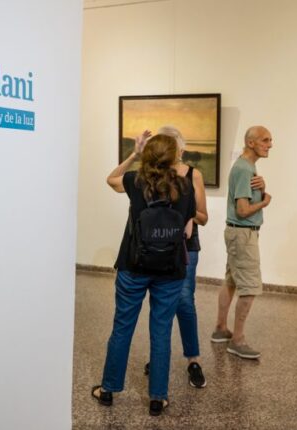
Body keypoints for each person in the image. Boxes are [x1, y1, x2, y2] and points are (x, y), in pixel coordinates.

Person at [92, 131, 196, 416]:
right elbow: (187, 230)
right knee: (161, 331)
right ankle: (157, 398)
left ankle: (108, 390)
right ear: (174, 157)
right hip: (170, 270)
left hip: (133, 265)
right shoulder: (186, 187)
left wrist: (134, 154)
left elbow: (110, 179)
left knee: (122, 327)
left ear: (148, 156)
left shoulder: (135, 181)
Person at [143, 125, 209, 388]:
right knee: (160, 303)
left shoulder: (193, 175)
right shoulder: (152, 175)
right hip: (157, 247)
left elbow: (203, 216)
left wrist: (189, 216)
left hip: (185, 247)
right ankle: (159, 358)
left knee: (184, 300)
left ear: (180, 149)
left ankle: (193, 359)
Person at [211, 125, 272, 360]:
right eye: (265, 140)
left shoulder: (247, 166)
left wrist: (263, 190)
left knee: (232, 280)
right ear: (250, 143)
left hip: (240, 234)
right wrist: (265, 202)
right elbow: (243, 210)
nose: (270, 145)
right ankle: (237, 340)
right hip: (243, 234)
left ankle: (220, 329)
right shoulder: (244, 168)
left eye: (270, 140)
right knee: (250, 287)